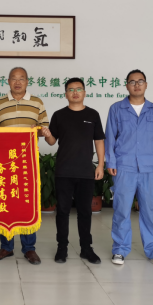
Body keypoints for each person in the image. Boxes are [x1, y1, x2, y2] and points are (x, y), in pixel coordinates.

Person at [105, 69, 153, 267]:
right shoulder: (116, 109)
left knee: (149, 210)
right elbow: (110, 137)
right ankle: (120, 249)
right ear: (126, 85)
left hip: (148, 168)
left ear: (146, 85)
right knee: (122, 210)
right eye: (132, 82)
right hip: (124, 167)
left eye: (140, 81)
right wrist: (111, 162)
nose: (136, 85)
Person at [0, 67, 49, 266]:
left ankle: (29, 248)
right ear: (8, 81)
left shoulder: (37, 103)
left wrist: (37, 130)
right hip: (4, 163)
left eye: (21, 78)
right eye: (14, 78)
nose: (17, 82)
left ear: (27, 81)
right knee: (5, 202)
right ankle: (6, 246)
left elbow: (45, 128)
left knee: (27, 203)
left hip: (27, 162)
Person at [44, 78, 105, 265]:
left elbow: (99, 141)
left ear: (84, 92)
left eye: (79, 89)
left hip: (85, 171)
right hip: (64, 171)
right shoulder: (59, 115)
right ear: (66, 94)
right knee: (62, 211)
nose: (75, 92)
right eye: (71, 89)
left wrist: (100, 165)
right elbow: (52, 142)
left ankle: (86, 248)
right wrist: (47, 135)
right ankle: (62, 248)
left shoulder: (93, 115)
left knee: (85, 212)